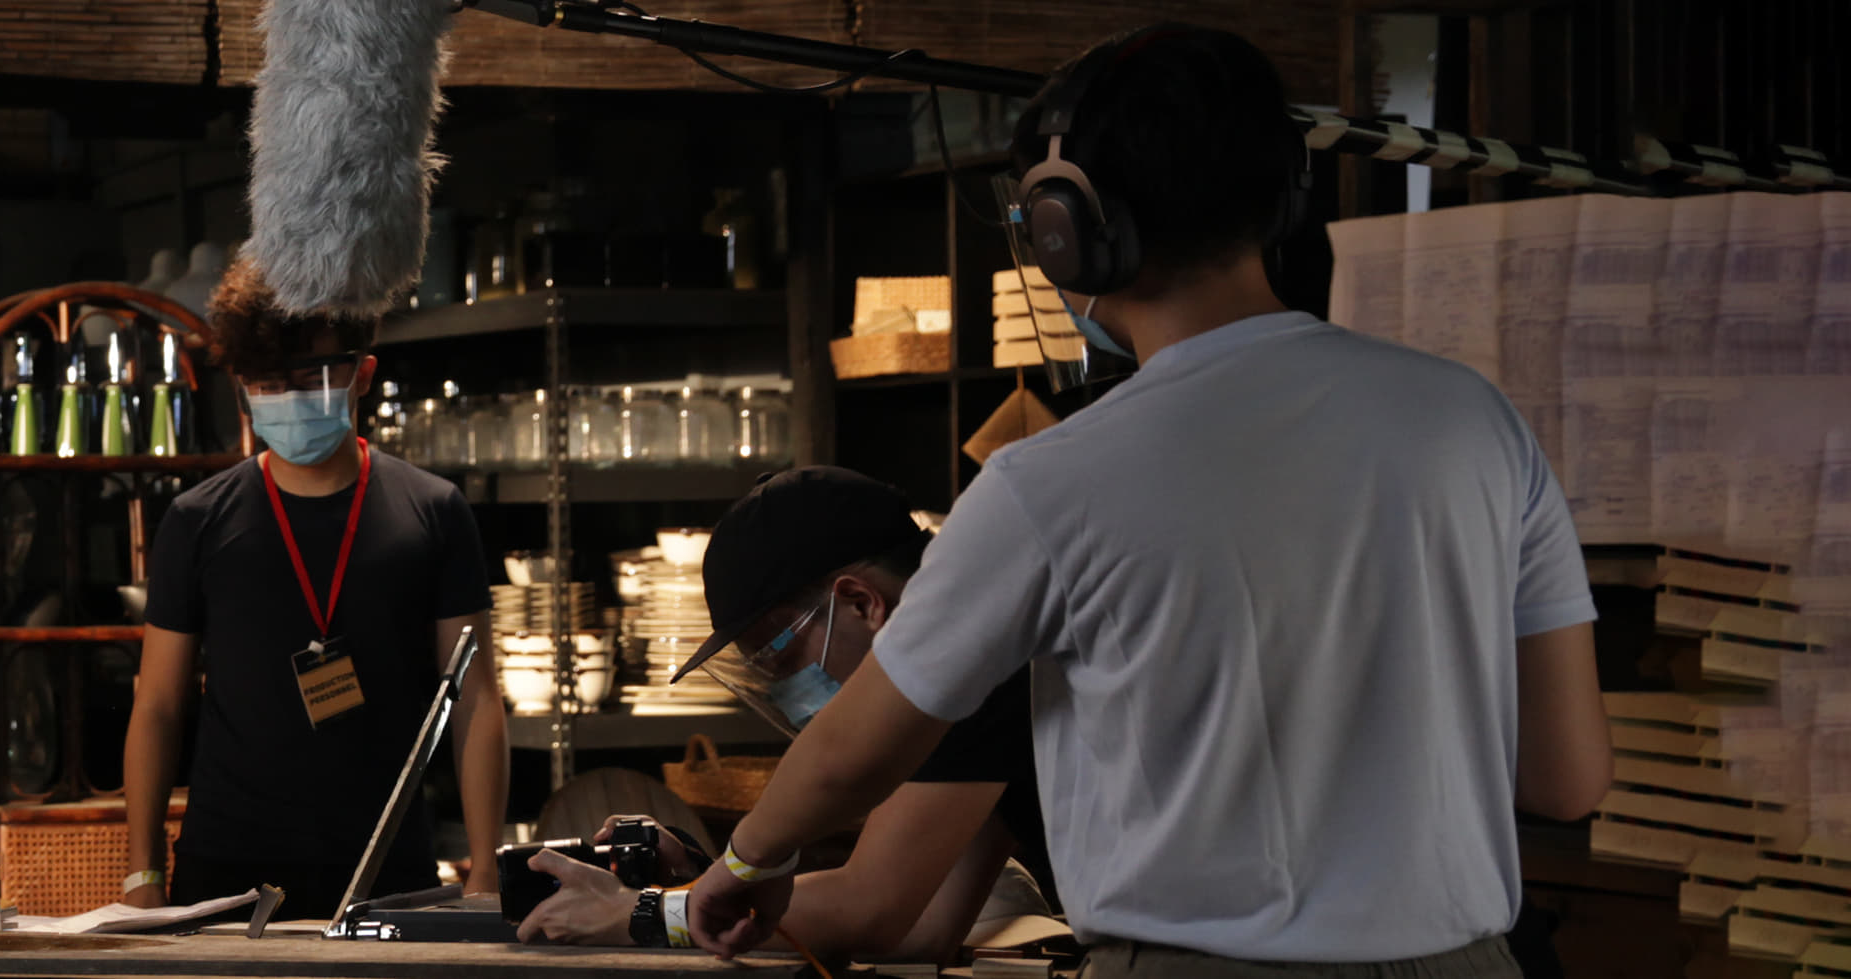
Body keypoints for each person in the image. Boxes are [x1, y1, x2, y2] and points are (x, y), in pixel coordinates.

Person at [682, 25, 1613, 979]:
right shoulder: (1478, 422)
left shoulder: (1048, 483)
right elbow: (1566, 778)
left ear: (1064, 225)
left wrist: (748, 861)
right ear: (1281, 194)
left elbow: (852, 753)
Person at [515, 467, 1057, 965]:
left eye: (781, 657)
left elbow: (869, 907)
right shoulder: (980, 657)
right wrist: (703, 884)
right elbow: (922, 925)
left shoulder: (966, 662)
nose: (786, 692)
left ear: (861, 603)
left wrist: (640, 914)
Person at [122, 259, 508, 917]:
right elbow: (158, 704)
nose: (292, 398)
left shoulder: (434, 511)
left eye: (312, 377)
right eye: (269, 383)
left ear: (364, 373)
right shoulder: (197, 520)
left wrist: (485, 870)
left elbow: (475, 698)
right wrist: (142, 871)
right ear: (244, 389)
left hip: (389, 868)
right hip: (227, 873)